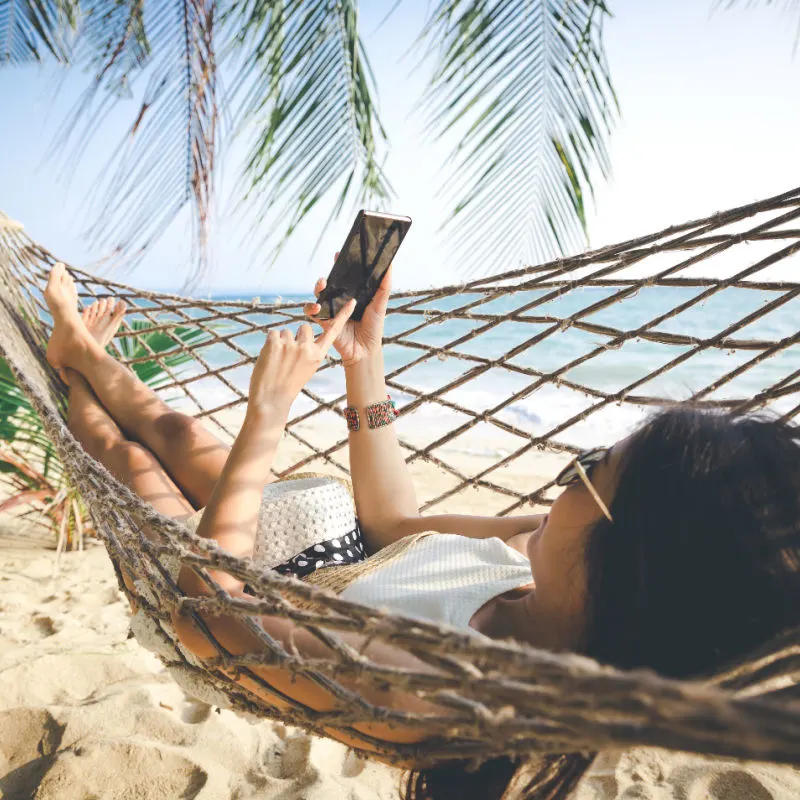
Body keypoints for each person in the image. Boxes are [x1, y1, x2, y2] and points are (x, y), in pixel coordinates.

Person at [43, 262, 800, 800]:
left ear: (624, 560)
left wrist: (268, 416)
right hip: (323, 539)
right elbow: (394, 524)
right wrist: (364, 363)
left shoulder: (445, 695)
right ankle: (79, 351)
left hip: (236, 590)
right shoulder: (554, 555)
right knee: (174, 426)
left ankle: (68, 375)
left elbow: (212, 615)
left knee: (129, 458)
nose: (567, 479)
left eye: (592, 467)